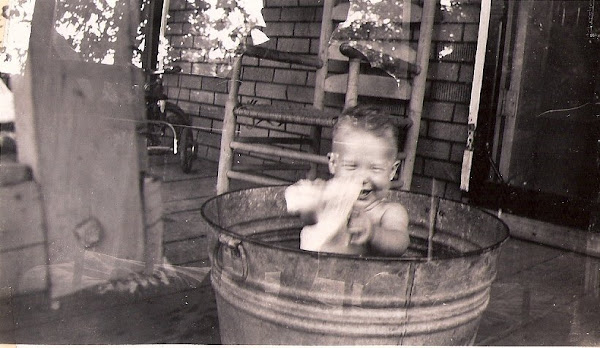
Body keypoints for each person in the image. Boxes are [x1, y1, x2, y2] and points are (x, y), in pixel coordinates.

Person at [285, 105, 410, 256]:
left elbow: (400, 243)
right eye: (351, 166)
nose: (362, 178)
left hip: (366, 277)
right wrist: (309, 203)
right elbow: (309, 219)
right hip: (317, 272)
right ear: (333, 164)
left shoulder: (389, 212)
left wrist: (373, 233)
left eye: (375, 168)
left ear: (392, 171)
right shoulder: (330, 199)